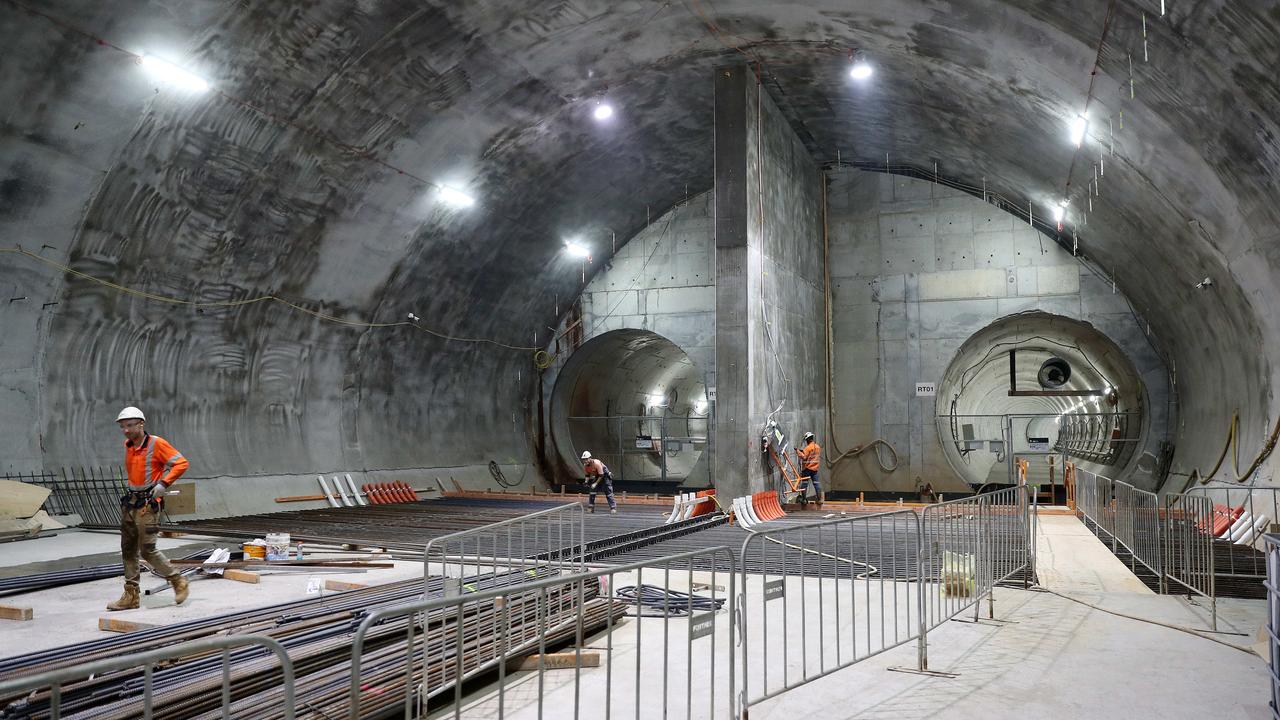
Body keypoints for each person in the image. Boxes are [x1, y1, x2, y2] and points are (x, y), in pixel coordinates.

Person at [107, 406, 192, 611]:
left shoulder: (157, 443)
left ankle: (178, 581)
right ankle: (131, 596)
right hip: (130, 503)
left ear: (141, 424)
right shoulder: (128, 445)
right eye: (122, 427)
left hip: (147, 505)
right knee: (128, 549)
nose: (126, 430)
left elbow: (181, 463)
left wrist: (163, 484)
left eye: (129, 425)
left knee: (147, 549)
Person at [795, 432, 823, 508]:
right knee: (816, 484)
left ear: (807, 439)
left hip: (807, 469)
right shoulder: (817, 447)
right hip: (815, 469)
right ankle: (819, 499)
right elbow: (811, 455)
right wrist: (802, 452)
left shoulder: (807, 448)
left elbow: (804, 457)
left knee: (804, 484)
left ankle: (804, 499)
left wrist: (798, 451)